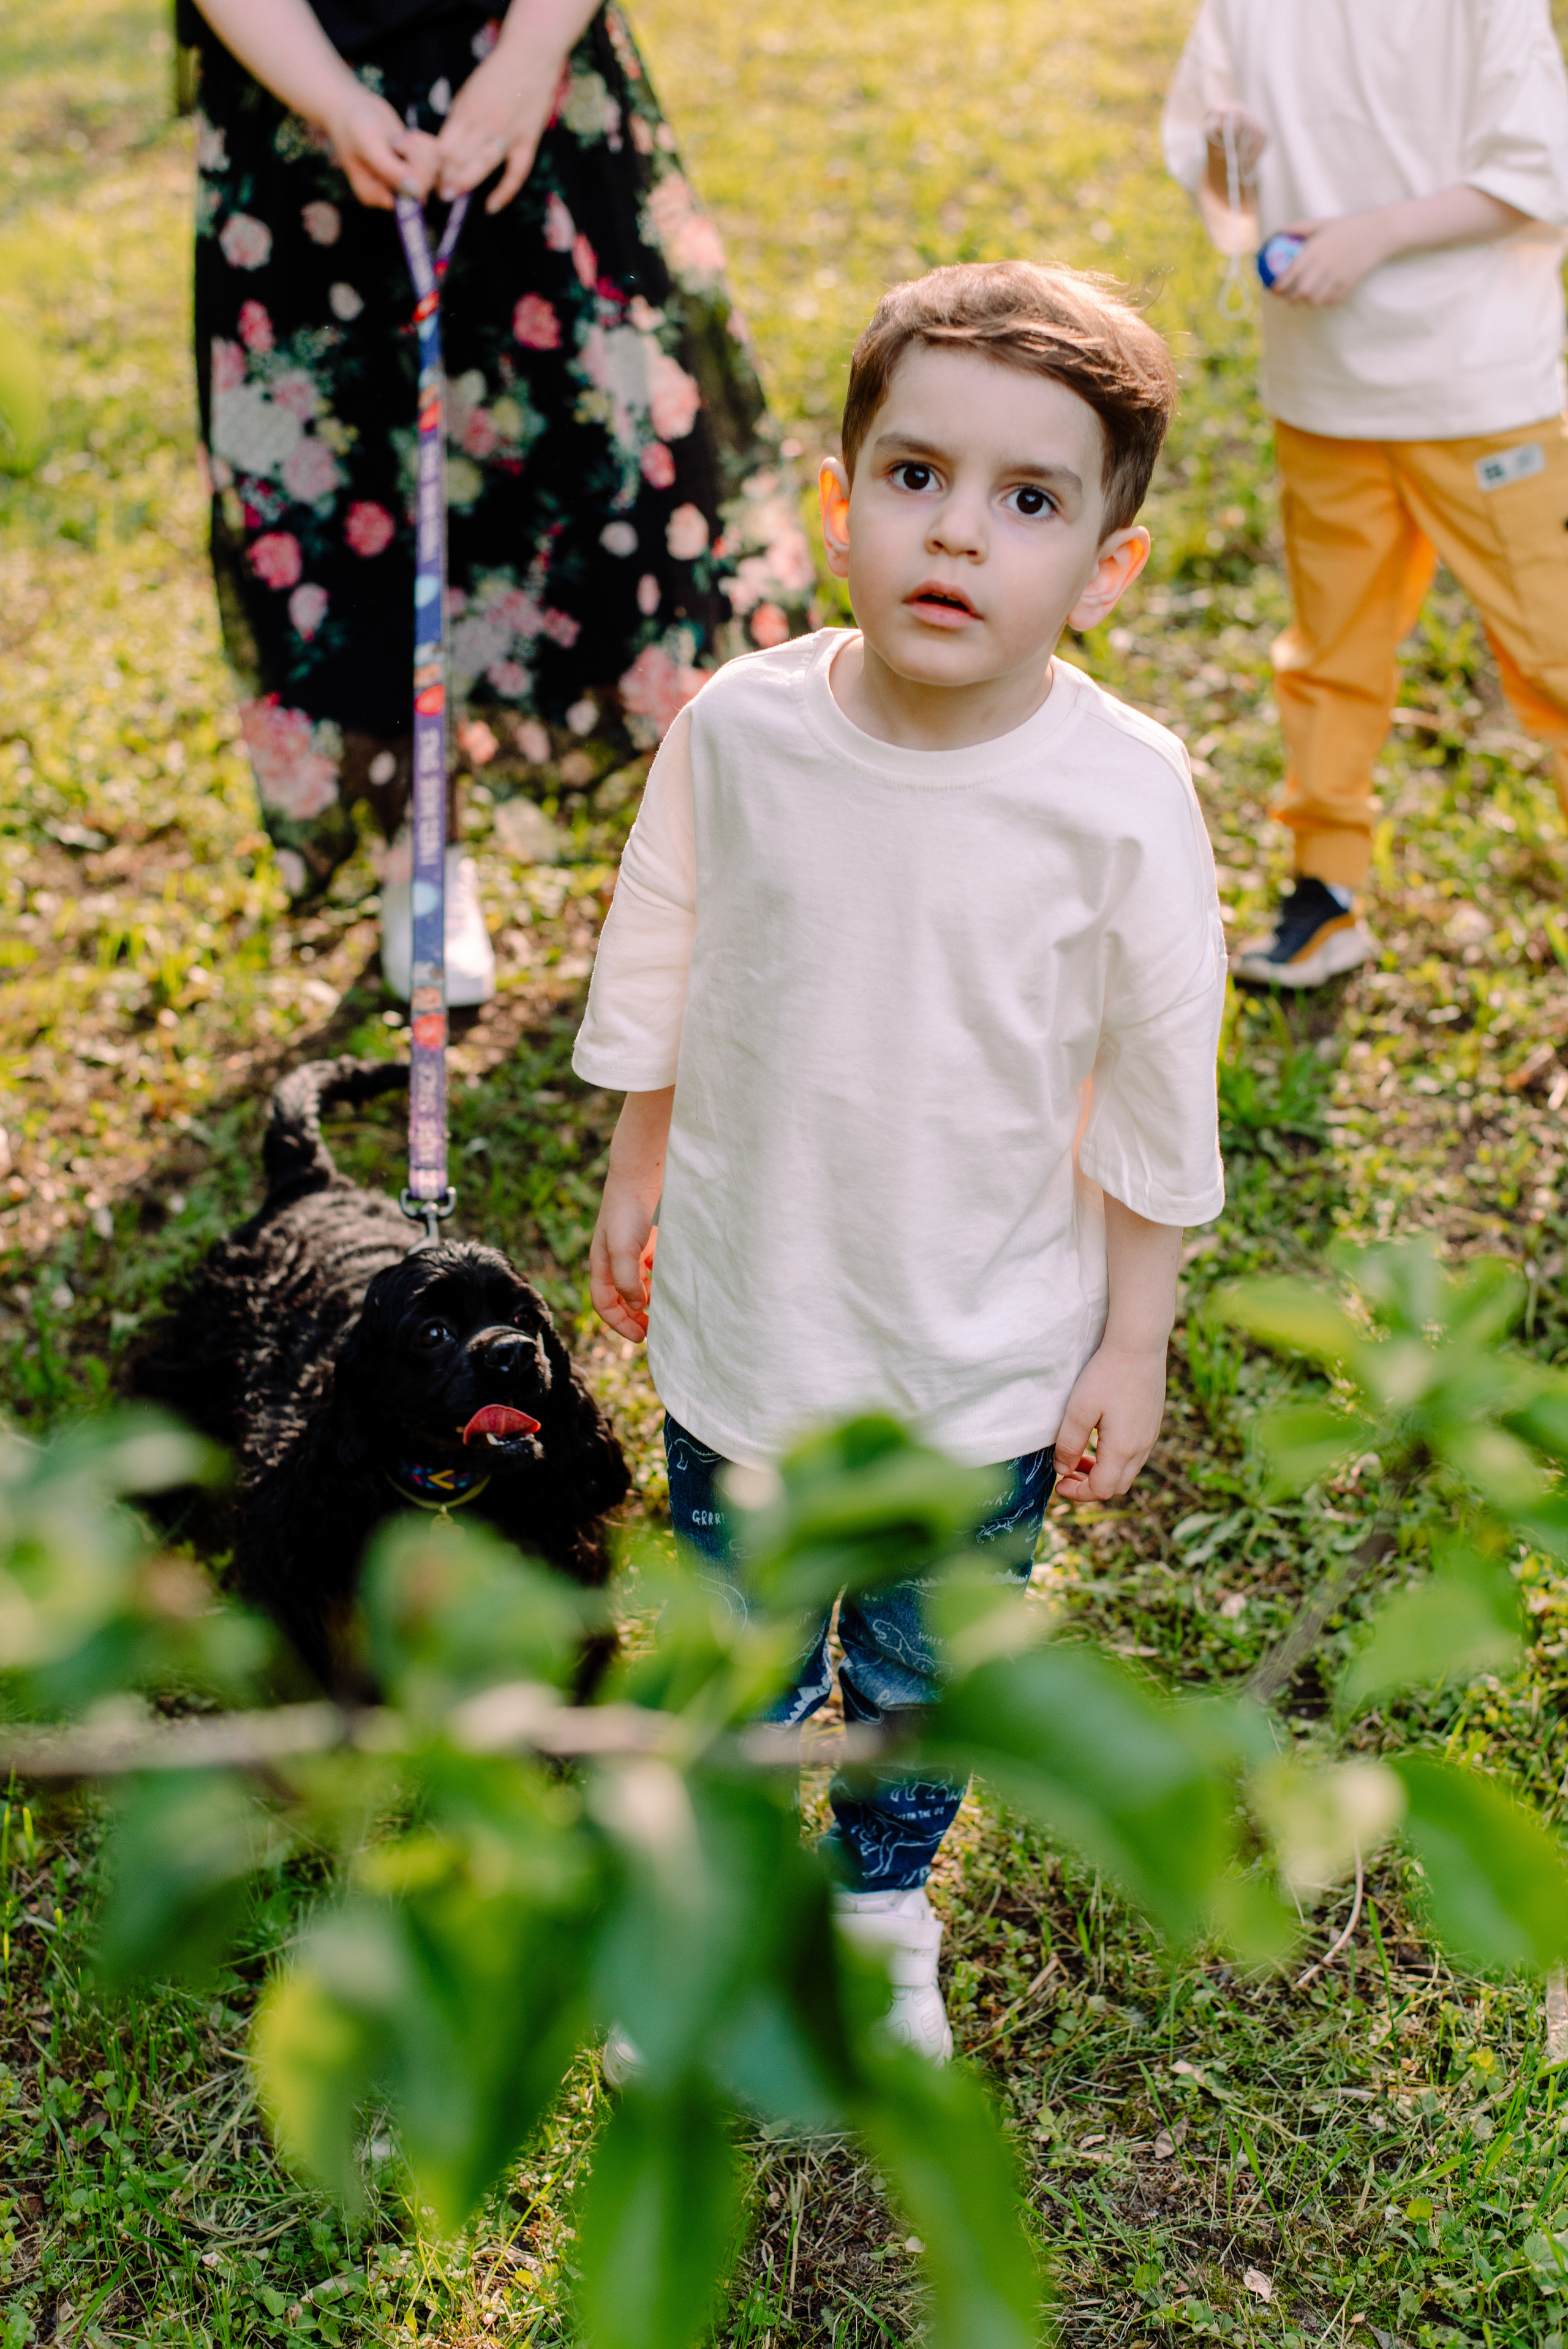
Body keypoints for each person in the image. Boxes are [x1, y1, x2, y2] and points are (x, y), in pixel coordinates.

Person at [572, 262, 1227, 2059]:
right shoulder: (743, 733)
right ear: (838, 507)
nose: (961, 536)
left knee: (926, 1668)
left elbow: (1165, 1079)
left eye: (1031, 503)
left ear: (1106, 568)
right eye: (919, 477)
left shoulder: (1120, 795)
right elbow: (668, 951)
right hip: (753, 1310)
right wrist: (642, 1157)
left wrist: (1132, 1333)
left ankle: (877, 1898)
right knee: (740, 1649)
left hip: (985, 1350)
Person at [181, 0, 815, 1000]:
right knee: (353, 503)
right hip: (303, 96)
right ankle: (418, 854)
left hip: (536, 79)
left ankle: (713, 847)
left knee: (615, 470)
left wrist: (527, 56)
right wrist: (335, 102)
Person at [1163, 0, 1568, 989]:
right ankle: (1326, 890)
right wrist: (1232, 158)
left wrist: (1374, 236)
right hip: (1323, 392)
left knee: (1555, 649)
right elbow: (1219, 182)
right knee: (1330, 655)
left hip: (1482, 390)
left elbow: (1536, 170)